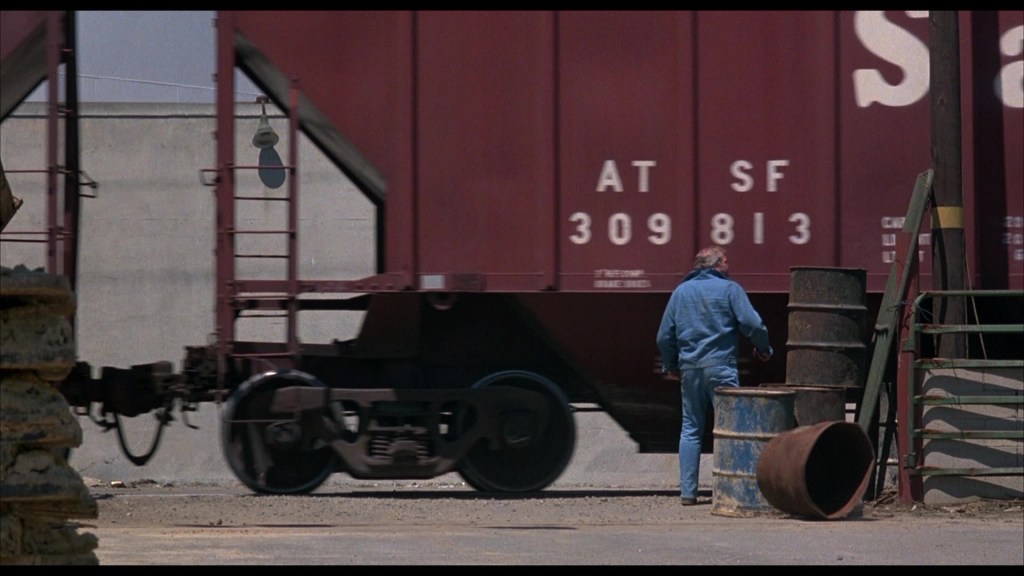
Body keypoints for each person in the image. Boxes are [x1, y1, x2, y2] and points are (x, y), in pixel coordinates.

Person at [656, 245, 773, 505]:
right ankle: (730, 490)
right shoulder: (730, 290)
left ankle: (688, 493)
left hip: (690, 368)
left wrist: (671, 364)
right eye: (726, 261)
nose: (729, 266)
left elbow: (664, 335)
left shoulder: (680, 293)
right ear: (717, 264)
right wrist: (763, 348)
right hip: (721, 367)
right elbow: (752, 323)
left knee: (690, 428)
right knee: (728, 428)